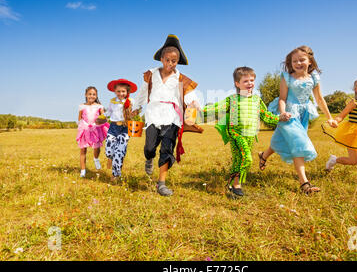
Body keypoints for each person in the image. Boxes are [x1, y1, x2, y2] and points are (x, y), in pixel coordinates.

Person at [258, 46, 337, 195]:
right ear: (290, 63)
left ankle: (263, 155)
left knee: (281, 140)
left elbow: (319, 99)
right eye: (294, 61)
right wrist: (283, 113)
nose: (298, 63)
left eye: (302, 60)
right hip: (289, 114)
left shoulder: (313, 78)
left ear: (310, 61)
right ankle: (304, 184)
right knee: (298, 144)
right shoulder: (287, 77)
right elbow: (282, 98)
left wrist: (330, 118)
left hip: (304, 114)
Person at [135, 35, 202, 196]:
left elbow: (189, 95)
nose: (170, 64)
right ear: (161, 59)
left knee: (167, 148)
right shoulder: (151, 75)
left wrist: (194, 103)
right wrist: (136, 107)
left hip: (172, 118)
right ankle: (149, 158)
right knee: (150, 147)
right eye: (167, 60)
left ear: (177, 62)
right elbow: (143, 92)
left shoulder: (181, 78)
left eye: (174, 61)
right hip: (153, 115)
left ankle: (162, 183)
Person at [203, 67, 282, 197]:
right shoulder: (233, 100)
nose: (250, 83)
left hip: (250, 135)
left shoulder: (257, 100)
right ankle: (235, 184)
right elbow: (217, 108)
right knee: (247, 159)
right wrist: (197, 109)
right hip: (236, 134)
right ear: (237, 84)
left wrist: (280, 118)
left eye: (252, 80)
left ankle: (234, 184)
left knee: (238, 160)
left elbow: (266, 116)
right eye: (246, 81)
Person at [103, 79, 138, 182]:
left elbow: (137, 109)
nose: (121, 93)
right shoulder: (112, 101)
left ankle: (116, 174)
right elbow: (108, 112)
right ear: (115, 91)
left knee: (119, 151)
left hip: (125, 128)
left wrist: (135, 112)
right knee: (109, 149)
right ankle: (110, 157)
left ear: (127, 92)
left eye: (123, 91)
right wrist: (102, 116)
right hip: (113, 127)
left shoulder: (131, 101)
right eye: (118, 91)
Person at [76, 86, 110, 178]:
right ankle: (83, 170)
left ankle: (96, 158)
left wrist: (101, 120)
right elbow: (79, 119)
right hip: (85, 128)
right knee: (83, 149)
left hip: (96, 128)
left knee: (97, 147)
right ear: (86, 95)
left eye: (94, 94)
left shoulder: (99, 106)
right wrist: (81, 127)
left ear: (96, 96)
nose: (92, 96)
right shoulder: (81, 106)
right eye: (90, 94)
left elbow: (103, 117)